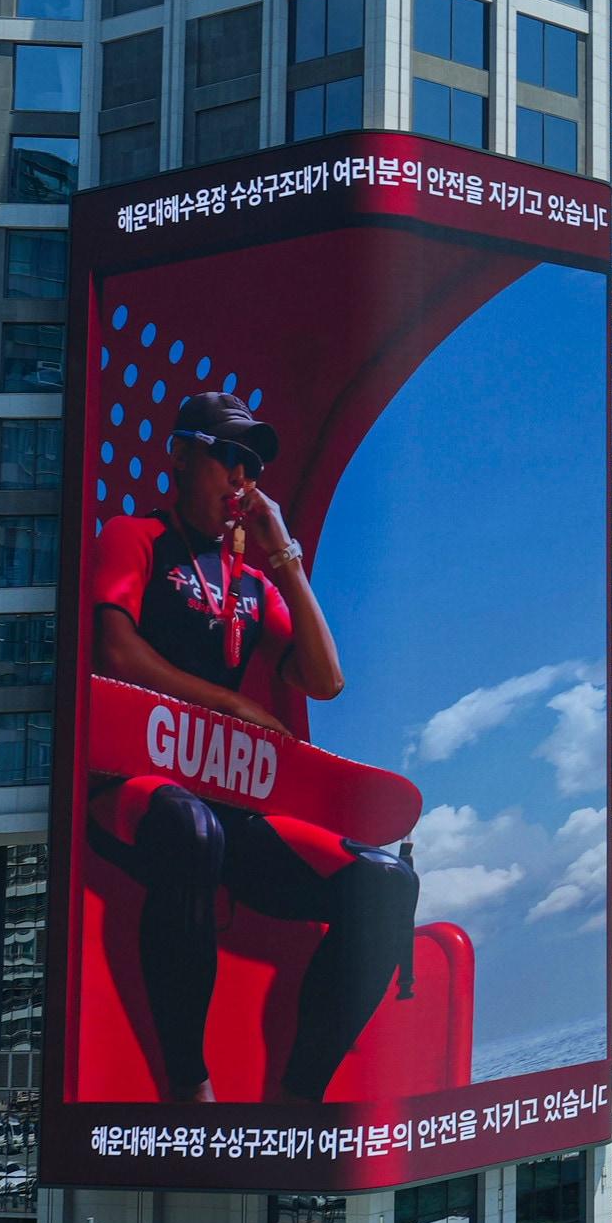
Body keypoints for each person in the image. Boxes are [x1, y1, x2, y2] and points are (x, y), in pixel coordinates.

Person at [89, 390, 418, 1104]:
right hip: (132, 786)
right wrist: (236, 703)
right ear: (181, 456)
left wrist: (286, 560)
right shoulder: (135, 536)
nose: (241, 478)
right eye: (227, 458)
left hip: (229, 804)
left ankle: (298, 1099)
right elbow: (115, 650)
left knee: (387, 884)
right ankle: (189, 1087)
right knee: (188, 826)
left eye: (252, 466)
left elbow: (326, 680)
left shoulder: (250, 581)